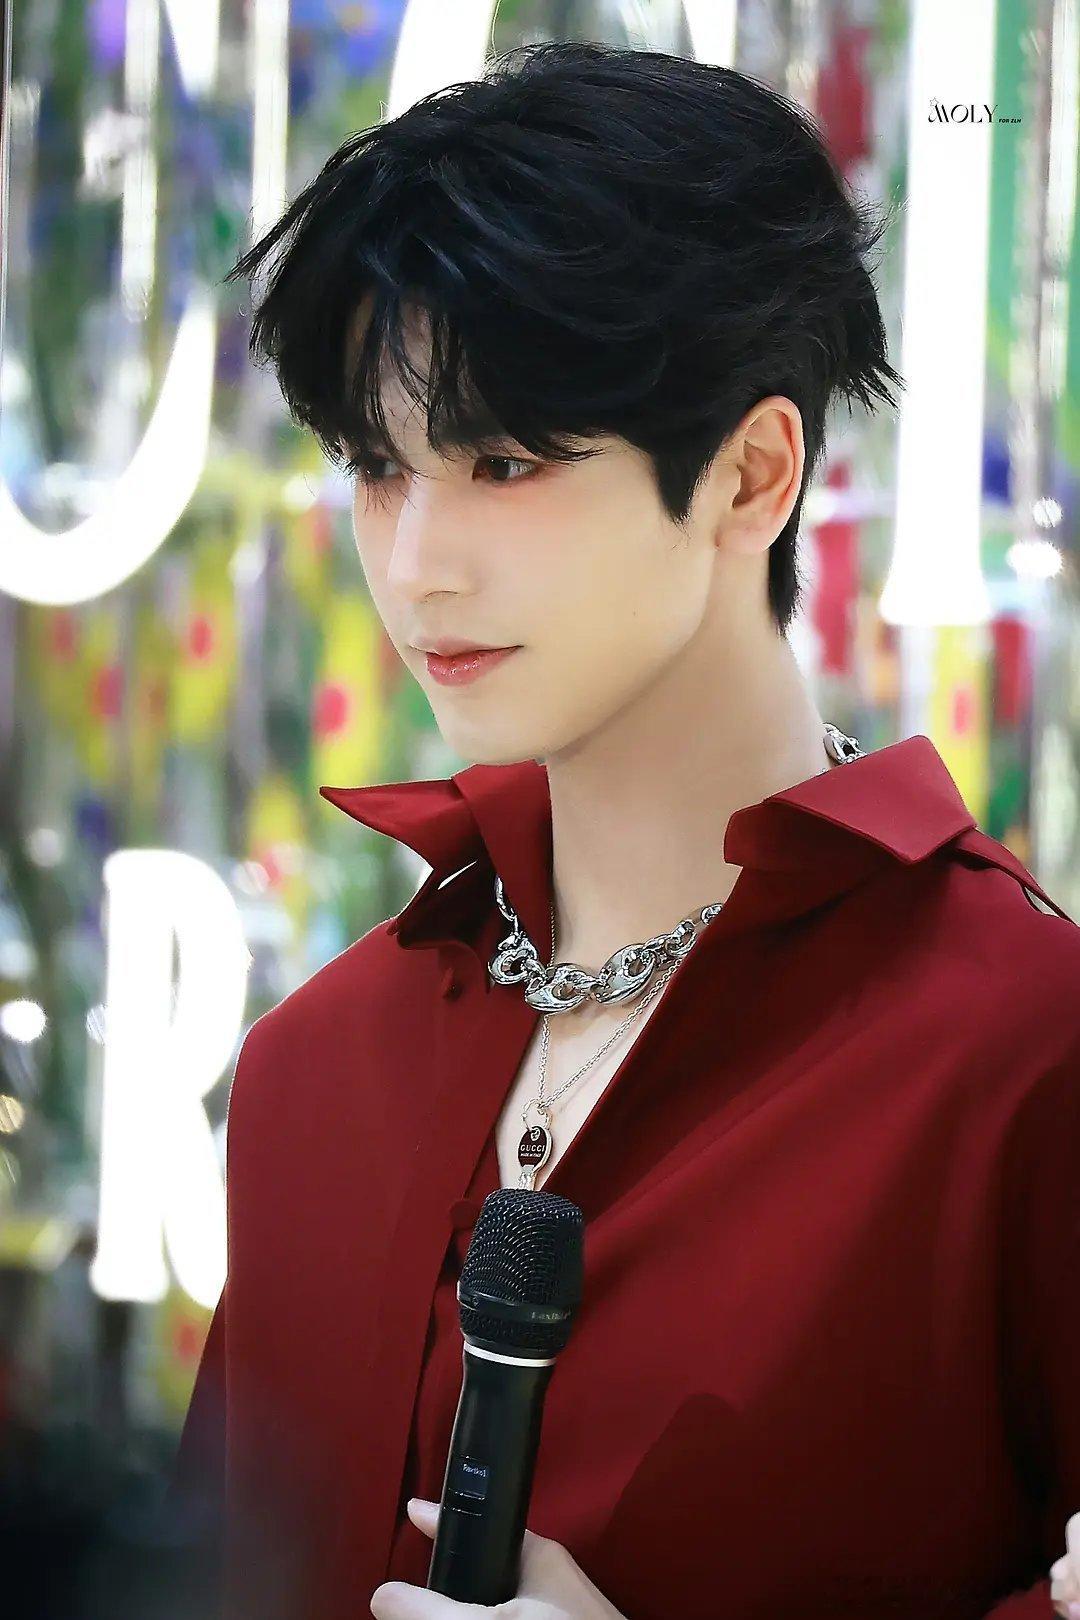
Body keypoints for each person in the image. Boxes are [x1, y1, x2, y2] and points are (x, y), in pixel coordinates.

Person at [167, 41, 1080, 1620]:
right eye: (379, 467)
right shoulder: (320, 1068)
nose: (418, 563)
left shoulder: (1018, 1052)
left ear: (751, 474)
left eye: (505, 462)